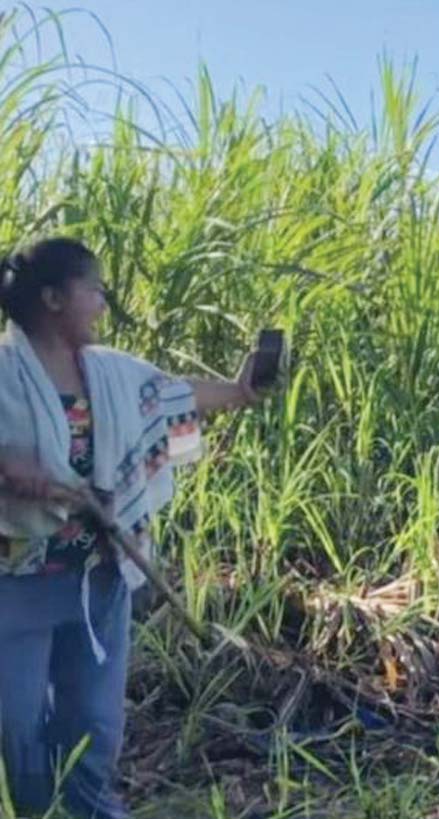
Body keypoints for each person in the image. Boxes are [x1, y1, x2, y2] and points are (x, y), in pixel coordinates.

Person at [0, 237, 265, 818]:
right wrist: (11, 469)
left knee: (94, 720)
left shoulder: (112, 373)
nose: (102, 302)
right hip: (15, 585)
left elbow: (169, 399)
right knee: (15, 725)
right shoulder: (3, 373)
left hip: (100, 577)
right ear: (51, 299)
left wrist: (241, 391)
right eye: (93, 289)